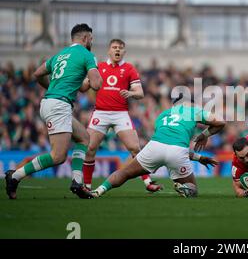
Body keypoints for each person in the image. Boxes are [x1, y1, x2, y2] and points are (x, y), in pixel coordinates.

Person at [5, 23, 103, 200]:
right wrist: (96, 74)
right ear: (86, 38)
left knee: (84, 137)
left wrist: (53, 87)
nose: (91, 42)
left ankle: (77, 181)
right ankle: (15, 176)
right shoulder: (87, 55)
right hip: (59, 105)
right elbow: (96, 85)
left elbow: (37, 73)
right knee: (58, 156)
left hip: (52, 103)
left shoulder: (61, 55)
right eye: (91, 39)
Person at [90, 93, 225, 198]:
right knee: (192, 189)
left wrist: (199, 158)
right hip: (177, 152)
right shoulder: (193, 110)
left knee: (125, 173)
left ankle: (99, 190)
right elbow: (220, 122)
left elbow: (166, 144)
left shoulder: (162, 116)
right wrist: (204, 135)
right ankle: (180, 186)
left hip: (154, 147)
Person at [82, 39, 161, 192]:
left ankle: (148, 183)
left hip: (120, 114)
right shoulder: (99, 67)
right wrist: (81, 78)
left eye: (120, 48)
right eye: (114, 47)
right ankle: (86, 187)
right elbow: (84, 87)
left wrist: (131, 93)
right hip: (101, 112)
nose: (117, 50)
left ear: (124, 52)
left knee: (135, 148)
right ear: (109, 51)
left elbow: (140, 93)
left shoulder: (129, 68)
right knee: (90, 148)